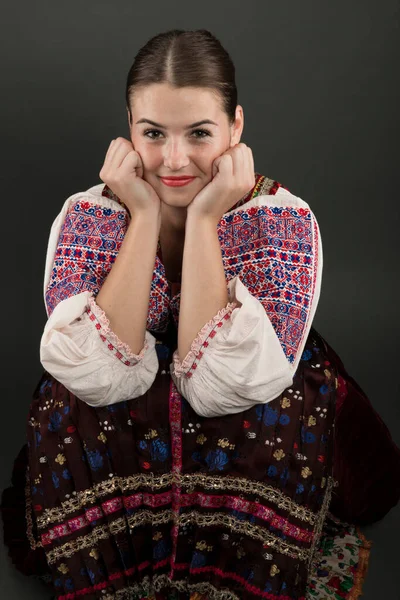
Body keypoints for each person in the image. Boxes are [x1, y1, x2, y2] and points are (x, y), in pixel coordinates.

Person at [2, 28, 400, 600]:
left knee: (260, 415)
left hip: (238, 372)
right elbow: (98, 371)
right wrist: (141, 216)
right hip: (131, 376)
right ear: (128, 129)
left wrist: (207, 219)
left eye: (200, 133)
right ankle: (128, 561)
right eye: (153, 133)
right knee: (75, 406)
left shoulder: (282, 221)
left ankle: (225, 569)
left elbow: (217, 387)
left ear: (236, 127)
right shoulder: (89, 216)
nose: (174, 159)